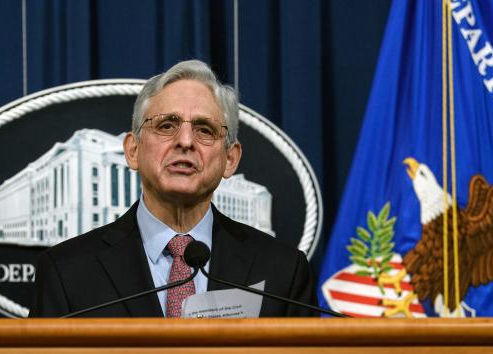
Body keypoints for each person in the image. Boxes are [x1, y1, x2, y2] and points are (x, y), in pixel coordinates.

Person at [30, 59, 314, 318]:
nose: (186, 141)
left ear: (230, 159)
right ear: (133, 150)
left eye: (205, 129)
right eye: (167, 125)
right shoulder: (67, 272)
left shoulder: (282, 272)